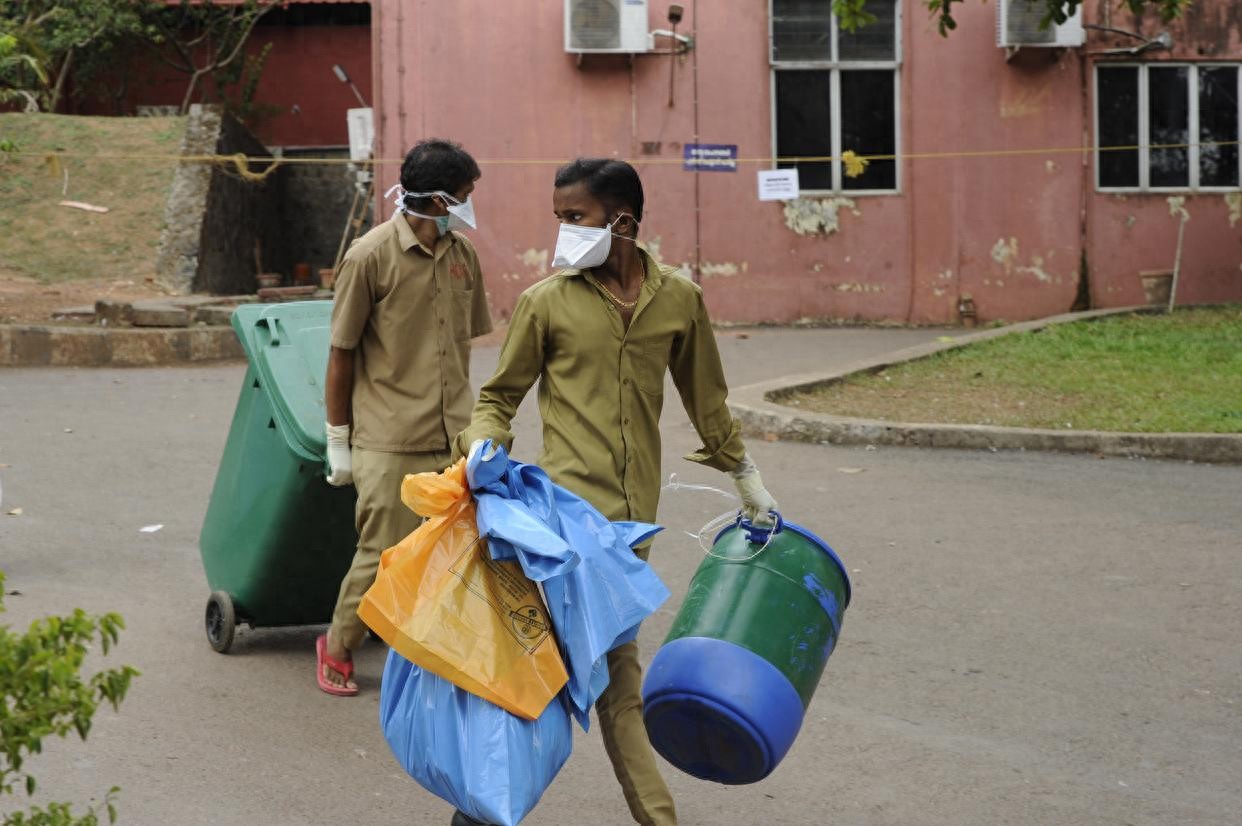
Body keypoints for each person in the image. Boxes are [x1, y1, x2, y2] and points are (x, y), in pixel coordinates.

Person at [451, 158, 777, 826]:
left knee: (582, 670)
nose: (563, 232)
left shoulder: (679, 300)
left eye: (574, 217)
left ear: (621, 220)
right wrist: (483, 446)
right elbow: (499, 397)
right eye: (559, 218)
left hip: (635, 530)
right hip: (562, 527)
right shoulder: (549, 302)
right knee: (607, 675)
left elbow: (706, 398)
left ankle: (479, 814)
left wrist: (748, 481)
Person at [318, 138, 492, 696]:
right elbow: (341, 352)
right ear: (440, 200)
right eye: (465, 195)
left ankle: (421, 650)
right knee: (382, 556)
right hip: (390, 437)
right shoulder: (370, 256)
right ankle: (338, 644)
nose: (470, 205)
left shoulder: (463, 257)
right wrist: (338, 440)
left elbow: (467, 345)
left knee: (452, 556)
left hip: (454, 435)